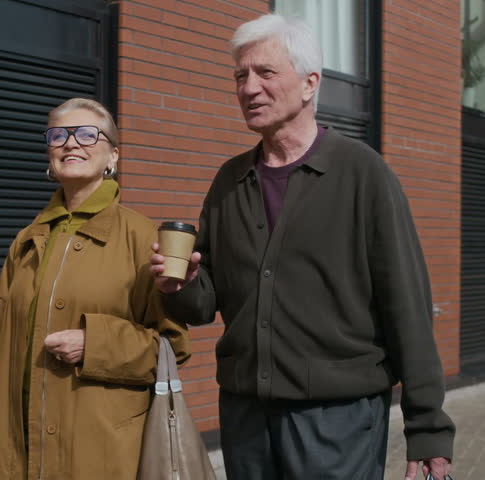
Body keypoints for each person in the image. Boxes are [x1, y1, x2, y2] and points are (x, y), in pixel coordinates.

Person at [149, 14, 455, 480]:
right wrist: (182, 285)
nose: (249, 88)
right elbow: (205, 303)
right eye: (240, 75)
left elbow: (407, 307)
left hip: (337, 422)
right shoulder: (229, 181)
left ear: (310, 83)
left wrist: (428, 427)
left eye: (265, 73)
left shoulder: (363, 175)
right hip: (246, 418)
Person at [0, 98, 191, 479]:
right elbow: (0, 348)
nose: (70, 143)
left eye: (86, 134)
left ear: (112, 155)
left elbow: (172, 347)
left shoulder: (141, 236)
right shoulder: (26, 240)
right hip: (19, 448)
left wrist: (94, 343)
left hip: (99, 453)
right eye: (58, 135)